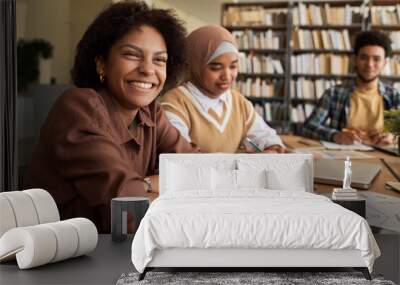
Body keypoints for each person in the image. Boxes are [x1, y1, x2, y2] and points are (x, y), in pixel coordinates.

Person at [27, 1, 198, 233]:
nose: (148, 69)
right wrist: (151, 183)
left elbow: (198, 170)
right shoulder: (78, 108)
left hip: (120, 250)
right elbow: (130, 210)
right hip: (62, 257)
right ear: (102, 64)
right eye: (131, 55)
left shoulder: (151, 112)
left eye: (159, 60)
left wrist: (146, 187)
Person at [160, 25, 285, 153]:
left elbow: (266, 138)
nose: (227, 76)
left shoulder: (239, 102)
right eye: (215, 67)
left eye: (233, 66)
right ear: (194, 65)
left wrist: (271, 150)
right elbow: (181, 156)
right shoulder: (174, 103)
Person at [303, 30, 400, 145]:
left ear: (384, 63)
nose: (369, 64)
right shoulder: (334, 93)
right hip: (345, 159)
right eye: (364, 57)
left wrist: (393, 137)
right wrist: (335, 135)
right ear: (355, 60)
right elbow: (307, 127)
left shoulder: (394, 96)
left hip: (383, 160)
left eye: (376, 59)